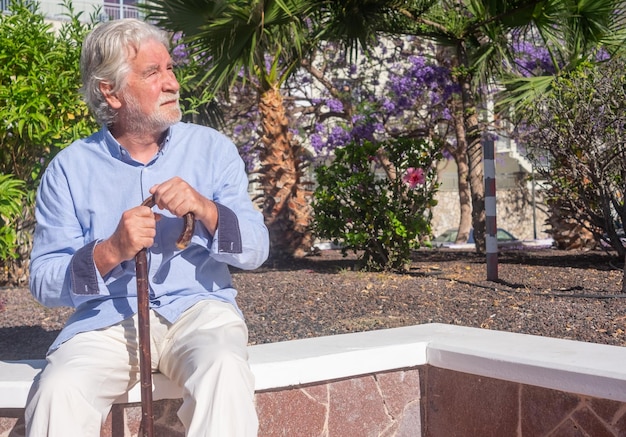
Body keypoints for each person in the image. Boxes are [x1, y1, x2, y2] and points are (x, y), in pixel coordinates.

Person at [25, 18, 269, 437]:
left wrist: (205, 209)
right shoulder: (68, 169)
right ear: (110, 91)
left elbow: (256, 250)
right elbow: (44, 282)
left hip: (199, 311)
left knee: (225, 369)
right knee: (59, 390)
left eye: (170, 68)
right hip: (106, 322)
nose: (172, 83)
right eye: (153, 73)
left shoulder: (212, 150)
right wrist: (111, 250)